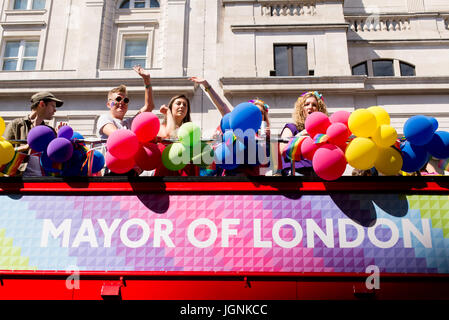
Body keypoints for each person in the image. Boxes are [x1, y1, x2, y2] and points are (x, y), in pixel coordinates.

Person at [189, 77, 271, 176]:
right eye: (253, 112)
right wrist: (207, 85)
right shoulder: (236, 126)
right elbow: (222, 107)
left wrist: (265, 140)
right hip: (230, 178)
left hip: (253, 181)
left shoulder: (264, 134)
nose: (256, 115)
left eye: (261, 113)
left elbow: (266, 163)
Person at [96, 65, 155, 176]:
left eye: (125, 100)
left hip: (132, 173)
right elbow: (119, 137)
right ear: (109, 104)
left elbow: (149, 107)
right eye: (118, 99)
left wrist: (147, 80)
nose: (122, 102)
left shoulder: (129, 123)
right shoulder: (105, 118)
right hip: (115, 172)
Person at [3, 91, 64, 176]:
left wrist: (59, 138)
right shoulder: (16, 124)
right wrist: (25, 147)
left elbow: (55, 157)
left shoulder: (50, 131)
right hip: (18, 180)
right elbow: (3, 152)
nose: (55, 110)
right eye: (53, 106)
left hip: (44, 179)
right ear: (42, 104)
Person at [279, 91, 328, 176]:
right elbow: (282, 151)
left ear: (319, 109)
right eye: (307, 104)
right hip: (296, 172)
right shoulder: (292, 128)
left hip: (317, 172)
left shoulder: (322, 132)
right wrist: (299, 136)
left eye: (314, 105)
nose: (310, 107)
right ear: (301, 109)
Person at [154, 94, 199, 176]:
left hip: (187, 177)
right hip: (165, 176)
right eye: (178, 103)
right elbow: (170, 135)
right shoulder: (161, 127)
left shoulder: (191, 131)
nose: (182, 106)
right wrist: (168, 113)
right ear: (171, 107)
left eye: (185, 105)